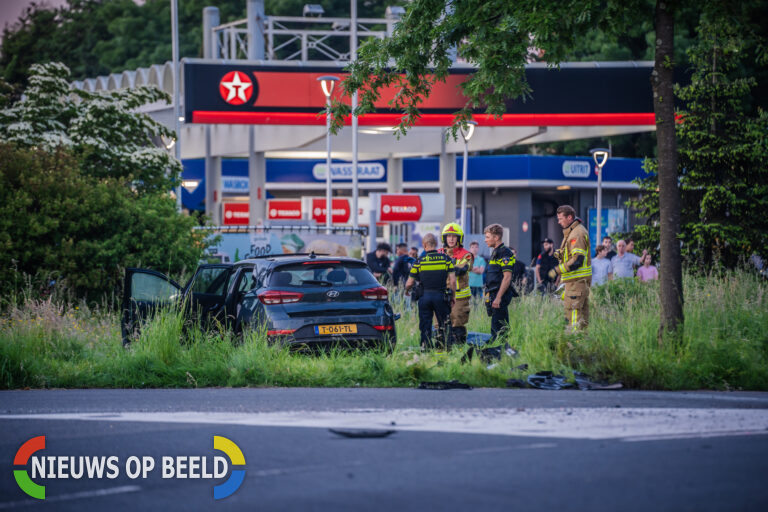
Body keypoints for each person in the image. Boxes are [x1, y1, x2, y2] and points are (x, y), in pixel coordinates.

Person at [405, 234, 456, 350]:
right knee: (445, 324)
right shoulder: (446, 259)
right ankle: (445, 348)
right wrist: (453, 296)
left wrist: (407, 291)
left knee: (425, 325)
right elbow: (453, 281)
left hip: (425, 297)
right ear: (436, 244)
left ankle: (426, 348)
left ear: (424, 245)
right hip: (441, 296)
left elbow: (409, 283)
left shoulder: (419, 261)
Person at [549, 205, 592, 330]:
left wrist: (557, 270)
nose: (558, 222)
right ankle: (581, 345)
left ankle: (574, 347)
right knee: (581, 320)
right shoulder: (573, 231)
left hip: (576, 284)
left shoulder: (576, 234)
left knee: (573, 320)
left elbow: (577, 261)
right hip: (576, 284)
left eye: (561, 219)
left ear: (569, 217)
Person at [439, 223, 474, 345]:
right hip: (441, 295)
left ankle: (459, 351)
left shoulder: (466, 254)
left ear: (459, 238)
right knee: (439, 324)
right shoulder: (438, 253)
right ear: (444, 238)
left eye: (454, 236)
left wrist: (445, 267)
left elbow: (462, 269)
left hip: (459, 297)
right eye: (448, 236)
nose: (451, 239)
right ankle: (442, 350)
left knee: (457, 324)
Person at [483, 223, 515, 342]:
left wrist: (498, 297)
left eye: (487, 237)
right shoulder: (495, 252)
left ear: (496, 238)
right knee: (498, 326)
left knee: (498, 329)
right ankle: (502, 350)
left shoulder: (504, 253)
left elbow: (507, 277)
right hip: (493, 293)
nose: (485, 240)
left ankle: (499, 352)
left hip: (499, 295)